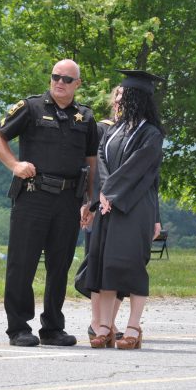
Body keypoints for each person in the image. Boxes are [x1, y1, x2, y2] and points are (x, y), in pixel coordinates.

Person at [0, 59, 98, 347]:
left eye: (67, 79)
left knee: (59, 265)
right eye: (55, 76)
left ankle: (52, 327)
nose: (60, 82)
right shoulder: (31, 107)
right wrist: (15, 165)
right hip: (33, 195)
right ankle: (18, 328)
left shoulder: (85, 117)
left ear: (77, 84)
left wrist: (90, 201)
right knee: (22, 263)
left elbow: (91, 161)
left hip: (68, 198)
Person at [85, 69, 165, 350]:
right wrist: (104, 194)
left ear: (135, 98)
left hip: (136, 206)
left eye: (124, 94)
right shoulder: (114, 129)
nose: (118, 99)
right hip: (110, 205)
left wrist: (111, 192)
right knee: (106, 265)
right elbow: (102, 160)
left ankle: (133, 327)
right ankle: (105, 327)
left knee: (131, 265)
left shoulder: (151, 134)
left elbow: (137, 168)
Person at [74, 86, 123, 341]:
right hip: (100, 207)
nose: (119, 103)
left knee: (121, 266)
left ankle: (110, 322)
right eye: (117, 98)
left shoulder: (139, 132)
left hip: (125, 209)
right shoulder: (103, 129)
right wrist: (90, 204)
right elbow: (92, 170)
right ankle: (97, 322)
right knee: (97, 264)